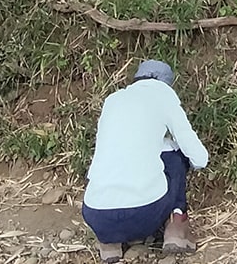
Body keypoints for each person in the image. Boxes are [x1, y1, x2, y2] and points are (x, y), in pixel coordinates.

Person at [83, 60, 209, 263]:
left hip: (96, 216)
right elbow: (198, 156)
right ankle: (177, 227)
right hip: (144, 214)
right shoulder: (163, 94)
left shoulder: (113, 100)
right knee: (175, 155)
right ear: (165, 82)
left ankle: (110, 245)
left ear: (137, 79)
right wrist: (193, 163)